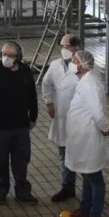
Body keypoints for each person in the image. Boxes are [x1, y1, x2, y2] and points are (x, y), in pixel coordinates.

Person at [58, 50, 109, 217]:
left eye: (75, 60)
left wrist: (106, 128)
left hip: (89, 138)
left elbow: (98, 113)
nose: (72, 62)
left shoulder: (91, 84)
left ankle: (95, 216)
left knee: (95, 178)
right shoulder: (83, 80)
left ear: (83, 65)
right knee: (86, 174)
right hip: (80, 137)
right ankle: (84, 209)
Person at [0, 42, 39, 205]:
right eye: (4, 54)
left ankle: (22, 191)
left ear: (18, 57)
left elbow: (32, 95)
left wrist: (33, 117)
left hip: (20, 126)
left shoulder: (25, 71)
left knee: (21, 161)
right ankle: (1, 190)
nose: (6, 58)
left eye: (10, 55)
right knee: (0, 161)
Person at [41, 34, 81, 203]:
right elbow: (46, 83)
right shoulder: (56, 65)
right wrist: (49, 103)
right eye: (62, 46)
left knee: (82, 157)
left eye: (66, 46)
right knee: (64, 156)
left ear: (75, 48)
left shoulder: (85, 66)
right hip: (61, 118)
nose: (63, 49)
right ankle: (67, 187)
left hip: (80, 120)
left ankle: (89, 190)